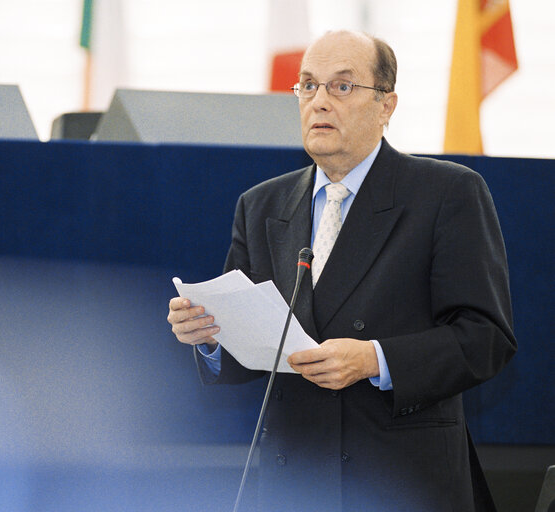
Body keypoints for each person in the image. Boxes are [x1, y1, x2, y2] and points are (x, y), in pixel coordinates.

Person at [167, 30, 516, 512]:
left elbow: (485, 339)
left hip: (400, 481)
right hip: (294, 481)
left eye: (342, 86)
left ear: (386, 105)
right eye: (308, 86)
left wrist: (374, 359)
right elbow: (247, 354)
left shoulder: (447, 194)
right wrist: (208, 336)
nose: (320, 102)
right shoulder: (262, 204)